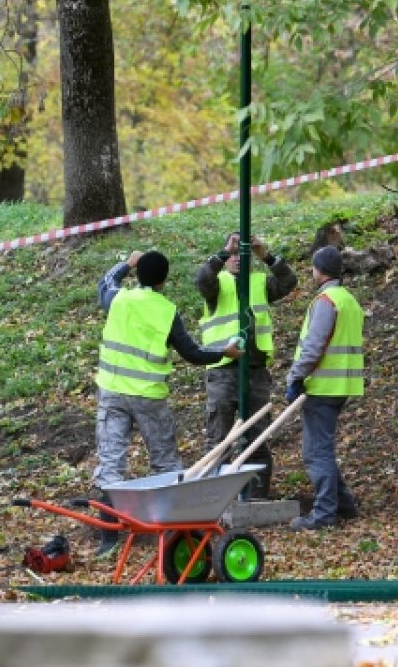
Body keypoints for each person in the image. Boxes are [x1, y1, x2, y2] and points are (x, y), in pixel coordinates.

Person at [93, 249, 243, 555]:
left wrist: (126, 263)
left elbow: (105, 282)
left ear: (138, 275)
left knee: (110, 466)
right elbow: (192, 353)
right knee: (166, 463)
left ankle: (108, 540)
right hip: (149, 397)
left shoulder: (119, 299)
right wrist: (223, 354)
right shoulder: (166, 311)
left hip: (112, 393)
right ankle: (178, 535)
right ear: (164, 280)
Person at [195, 233, 298, 499]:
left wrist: (266, 255)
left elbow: (289, 281)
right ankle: (214, 498)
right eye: (232, 255)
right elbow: (201, 280)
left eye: (241, 254)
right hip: (223, 370)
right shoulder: (217, 285)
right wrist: (223, 251)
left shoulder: (259, 283)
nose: (237, 260)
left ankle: (258, 496)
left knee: (258, 437)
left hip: (255, 371)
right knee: (219, 438)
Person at [284, 244, 364, 531]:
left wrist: (295, 377)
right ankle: (344, 505)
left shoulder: (326, 302)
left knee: (316, 452)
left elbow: (314, 346)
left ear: (319, 271)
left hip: (322, 386)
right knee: (323, 449)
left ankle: (324, 514)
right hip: (342, 385)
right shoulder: (348, 300)